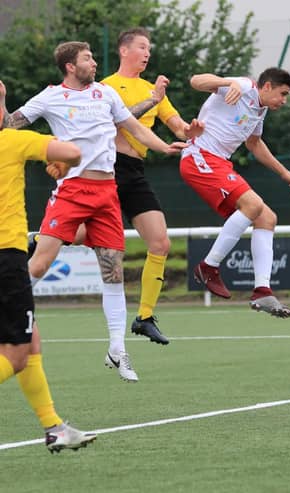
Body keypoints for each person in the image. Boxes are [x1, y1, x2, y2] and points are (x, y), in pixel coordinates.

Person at [1, 41, 186, 382]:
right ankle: (7, 307)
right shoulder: (51, 96)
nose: (94, 63)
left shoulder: (105, 94)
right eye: (87, 58)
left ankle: (118, 350)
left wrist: (165, 147)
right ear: (71, 66)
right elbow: (10, 124)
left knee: (113, 273)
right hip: (72, 191)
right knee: (40, 263)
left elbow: (134, 127)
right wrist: (1, 99)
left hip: (107, 193)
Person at [71, 27, 204, 345]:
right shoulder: (105, 87)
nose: (147, 53)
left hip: (136, 172)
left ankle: (144, 317)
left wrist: (193, 130)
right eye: (142, 47)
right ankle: (36, 240)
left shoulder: (153, 90)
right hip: (107, 168)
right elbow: (117, 122)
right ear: (123, 50)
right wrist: (152, 99)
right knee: (86, 234)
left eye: (149, 49)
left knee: (161, 243)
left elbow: (178, 127)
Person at [0, 95, 97, 453]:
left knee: (32, 341)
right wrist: (61, 165)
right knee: (15, 356)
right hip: (6, 259)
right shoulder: (11, 139)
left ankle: (53, 427)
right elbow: (71, 152)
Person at [180, 68, 290, 318]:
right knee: (254, 205)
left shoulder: (261, 108)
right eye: (283, 94)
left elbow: (254, 144)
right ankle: (208, 266)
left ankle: (262, 291)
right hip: (199, 157)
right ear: (266, 86)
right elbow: (195, 80)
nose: (284, 101)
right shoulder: (244, 86)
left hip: (219, 163)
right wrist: (227, 82)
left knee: (267, 218)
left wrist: (284, 172)